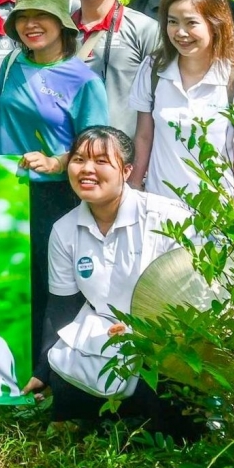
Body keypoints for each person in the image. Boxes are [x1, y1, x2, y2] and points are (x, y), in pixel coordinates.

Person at [26, 125, 198, 441]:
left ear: (127, 170)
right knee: (65, 359)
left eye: (102, 161)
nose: (87, 169)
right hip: (105, 332)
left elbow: (195, 296)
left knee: (171, 417)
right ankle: (88, 414)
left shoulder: (166, 217)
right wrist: (44, 369)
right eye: (78, 159)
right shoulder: (64, 230)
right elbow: (61, 305)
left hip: (165, 337)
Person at [0, 0, 110, 377]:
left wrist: (57, 162)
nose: (31, 25)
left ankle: (47, 373)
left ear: (62, 26)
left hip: (53, 199)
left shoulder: (83, 79)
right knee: (4, 279)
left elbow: (95, 147)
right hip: (4, 192)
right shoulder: (9, 66)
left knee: (48, 285)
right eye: (24, 17)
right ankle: (7, 370)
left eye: (42, 17)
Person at [130, 0, 234, 202]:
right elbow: (144, 137)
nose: (181, 33)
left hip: (218, 215)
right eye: (172, 22)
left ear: (215, 24)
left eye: (191, 23)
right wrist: (133, 188)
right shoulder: (153, 68)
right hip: (159, 210)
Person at [68, 0, 160, 137]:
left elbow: (160, 98)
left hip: (125, 156)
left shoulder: (144, 29)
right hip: (67, 154)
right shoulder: (61, 30)